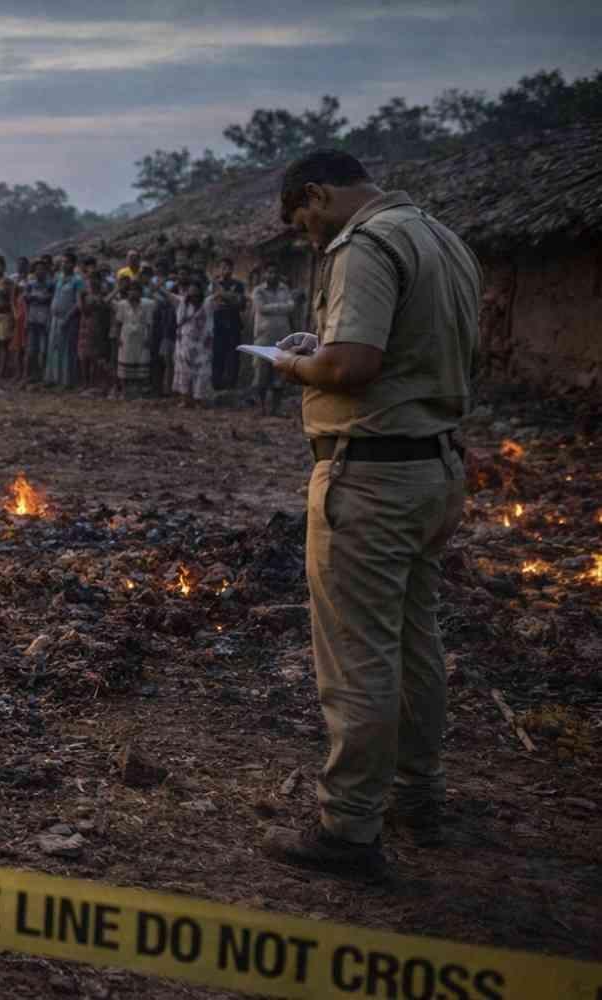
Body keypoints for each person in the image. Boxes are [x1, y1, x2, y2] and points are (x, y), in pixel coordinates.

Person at [263, 149, 481, 880]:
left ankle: (349, 828)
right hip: (436, 469)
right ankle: (420, 795)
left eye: (304, 223)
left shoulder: (364, 246)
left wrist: (295, 364)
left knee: (359, 654)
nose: (309, 238)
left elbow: (353, 366)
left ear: (319, 196)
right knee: (417, 638)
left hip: (373, 479)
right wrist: (320, 351)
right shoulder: (440, 239)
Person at [250, 263, 297, 416]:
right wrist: (282, 307)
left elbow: (292, 306)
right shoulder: (258, 291)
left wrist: (274, 307)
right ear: (264, 274)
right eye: (269, 272)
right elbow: (261, 308)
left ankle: (276, 409)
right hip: (263, 337)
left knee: (280, 373)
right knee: (261, 374)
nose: (272, 275)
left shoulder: (285, 289)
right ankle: (261, 408)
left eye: (275, 272)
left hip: (283, 337)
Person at [47, 252, 86, 388]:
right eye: (62, 262)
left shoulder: (78, 280)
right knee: (54, 347)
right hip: (55, 317)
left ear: (73, 264)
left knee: (68, 349)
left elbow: (78, 303)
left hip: (69, 319)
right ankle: (53, 378)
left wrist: (67, 317)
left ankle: (67, 380)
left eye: (67, 262)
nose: (64, 265)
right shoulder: (59, 277)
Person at [172, 281, 215, 405]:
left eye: (196, 293)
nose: (194, 296)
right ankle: (185, 399)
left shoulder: (207, 303)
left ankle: (199, 400)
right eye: (191, 293)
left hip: (203, 343)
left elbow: (219, 294)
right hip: (185, 342)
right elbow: (166, 294)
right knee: (184, 371)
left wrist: (216, 281)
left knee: (203, 372)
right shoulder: (182, 303)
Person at [112, 279, 155, 399]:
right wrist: (117, 336)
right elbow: (118, 322)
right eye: (131, 290)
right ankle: (124, 392)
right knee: (125, 362)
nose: (133, 293)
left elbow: (150, 324)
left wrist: (149, 338)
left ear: (140, 293)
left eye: (136, 291)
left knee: (141, 362)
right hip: (126, 336)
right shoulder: (122, 304)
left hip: (142, 336)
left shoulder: (147, 305)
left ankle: (140, 392)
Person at [210, 257, 246, 390]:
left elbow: (241, 304)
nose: (225, 270)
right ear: (219, 269)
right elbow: (213, 303)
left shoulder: (238, 285)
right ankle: (216, 384)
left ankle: (231, 385)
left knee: (233, 356)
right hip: (217, 324)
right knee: (217, 355)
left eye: (228, 267)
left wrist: (225, 297)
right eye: (222, 267)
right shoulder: (213, 285)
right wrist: (231, 298)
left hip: (233, 324)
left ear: (232, 269)